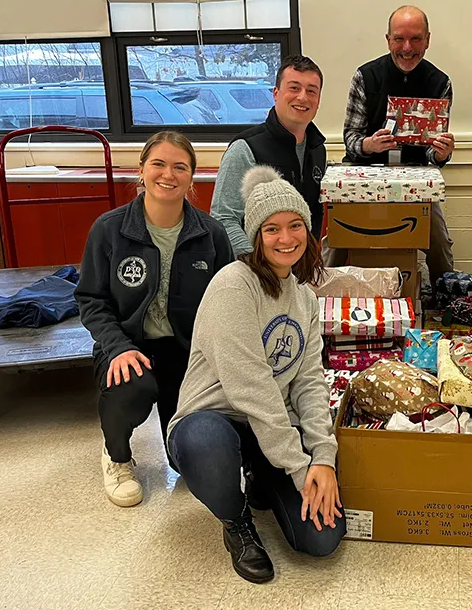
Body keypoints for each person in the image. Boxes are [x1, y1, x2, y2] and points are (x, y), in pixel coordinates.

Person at [168, 166, 344, 584]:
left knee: (322, 540)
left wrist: (323, 457)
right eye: (272, 229)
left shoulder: (304, 298)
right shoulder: (233, 286)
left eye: (295, 226)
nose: (286, 239)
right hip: (212, 419)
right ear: (256, 236)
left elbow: (309, 383)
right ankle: (236, 520)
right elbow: (252, 390)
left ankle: (260, 475)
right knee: (206, 445)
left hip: (266, 427)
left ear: (308, 229)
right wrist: (300, 470)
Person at [76, 131, 234, 507]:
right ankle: (116, 456)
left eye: (180, 167)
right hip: (129, 346)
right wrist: (115, 348)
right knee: (132, 387)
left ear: (192, 178)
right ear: (141, 170)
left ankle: (177, 441)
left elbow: (228, 302)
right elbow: (90, 298)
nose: (169, 174)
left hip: (186, 352)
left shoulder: (211, 234)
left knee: (186, 461)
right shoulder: (109, 230)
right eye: (158, 164)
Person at [340, 5, 456, 282]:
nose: (407, 47)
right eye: (399, 39)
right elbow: (350, 137)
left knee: (439, 243)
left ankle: (447, 304)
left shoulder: (439, 82)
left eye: (415, 39)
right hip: (364, 174)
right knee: (336, 239)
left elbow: (432, 152)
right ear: (388, 39)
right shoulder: (365, 76)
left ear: (427, 40)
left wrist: (442, 154)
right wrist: (369, 145)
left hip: (416, 179)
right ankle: (318, 298)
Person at [210, 55, 327, 256]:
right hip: (257, 273)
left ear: (318, 100)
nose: (302, 97)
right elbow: (224, 218)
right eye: (294, 88)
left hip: (299, 273)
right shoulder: (245, 148)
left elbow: (313, 217)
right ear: (276, 93)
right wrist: (258, 267)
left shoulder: (318, 149)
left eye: (311, 91)